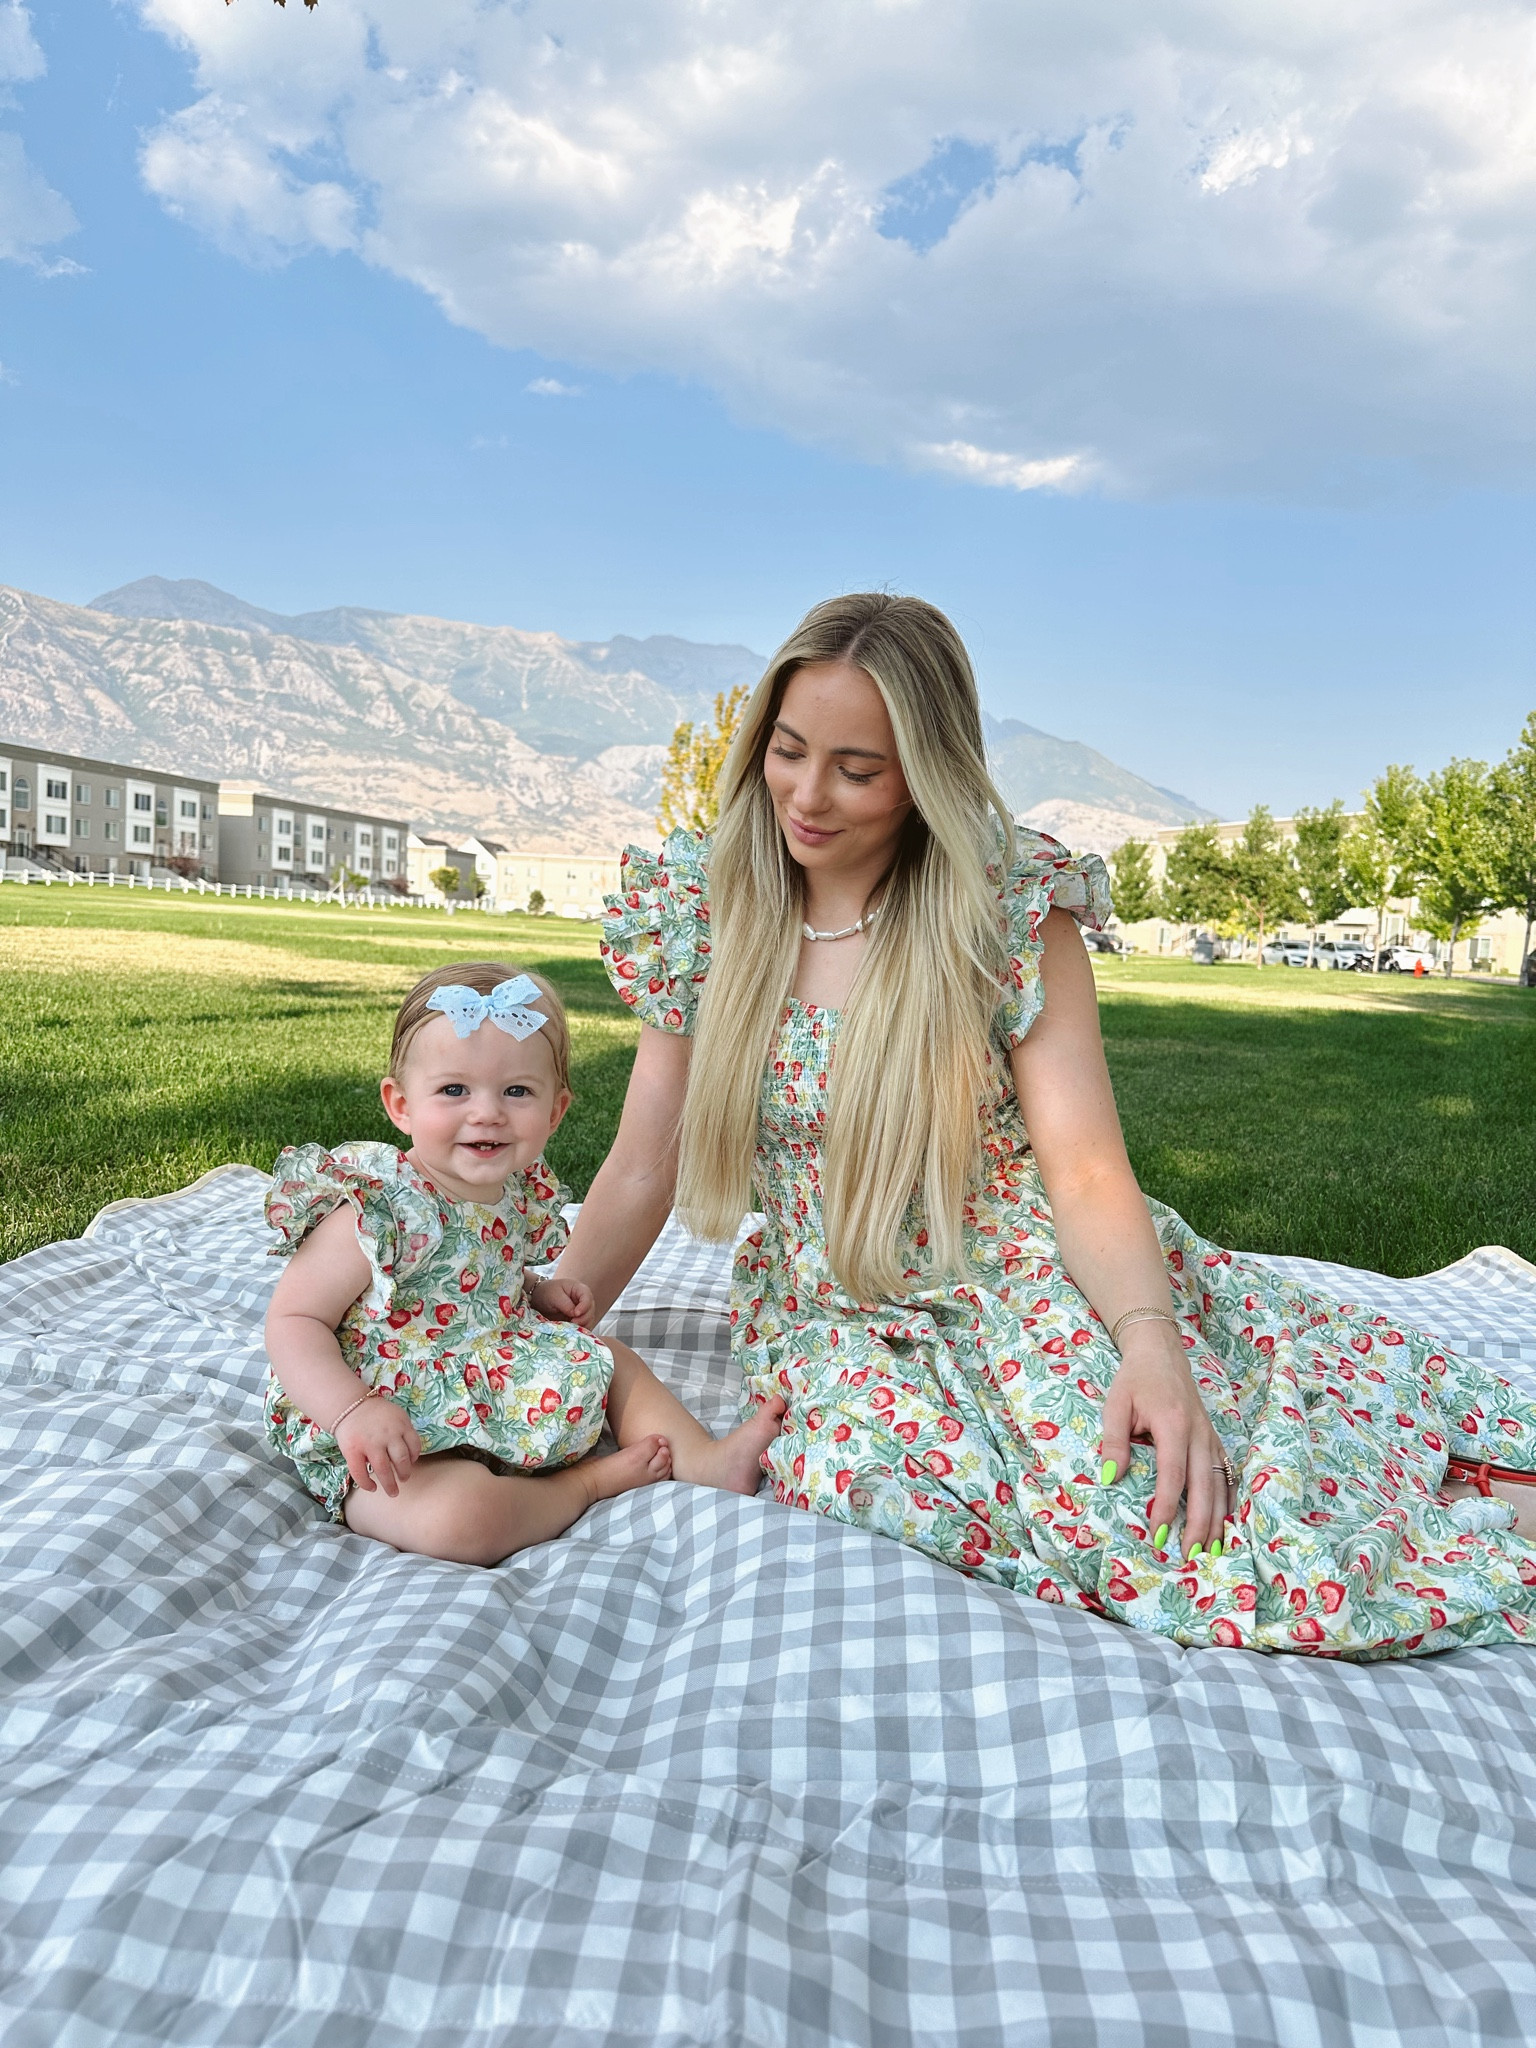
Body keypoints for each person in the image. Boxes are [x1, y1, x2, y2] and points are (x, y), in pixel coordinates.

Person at [556, 593, 1536, 1658]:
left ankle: (1470, 1495)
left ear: (925, 773)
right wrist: (548, 1320)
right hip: (839, 1319)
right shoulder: (705, 909)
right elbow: (642, 1165)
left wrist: (1150, 1341)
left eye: (858, 766)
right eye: (788, 751)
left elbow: (1082, 1168)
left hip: (1026, 1271)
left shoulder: (1003, 907)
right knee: (905, 1485)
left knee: (1172, 1497)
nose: (807, 792)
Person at [263, 961, 784, 1566]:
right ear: (400, 1104)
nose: (487, 1113)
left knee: (610, 1359)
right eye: (454, 1090)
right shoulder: (379, 1207)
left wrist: (536, 1292)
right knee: (460, 1522)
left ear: (556, 1110)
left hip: (491, 1375)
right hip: (390, 1418)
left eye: (516, 1091)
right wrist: (352, 1411)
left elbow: (481, 1274)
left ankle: (705, 1461)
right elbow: (293, 1321)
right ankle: (582, 1486)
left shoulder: (512, 1193)